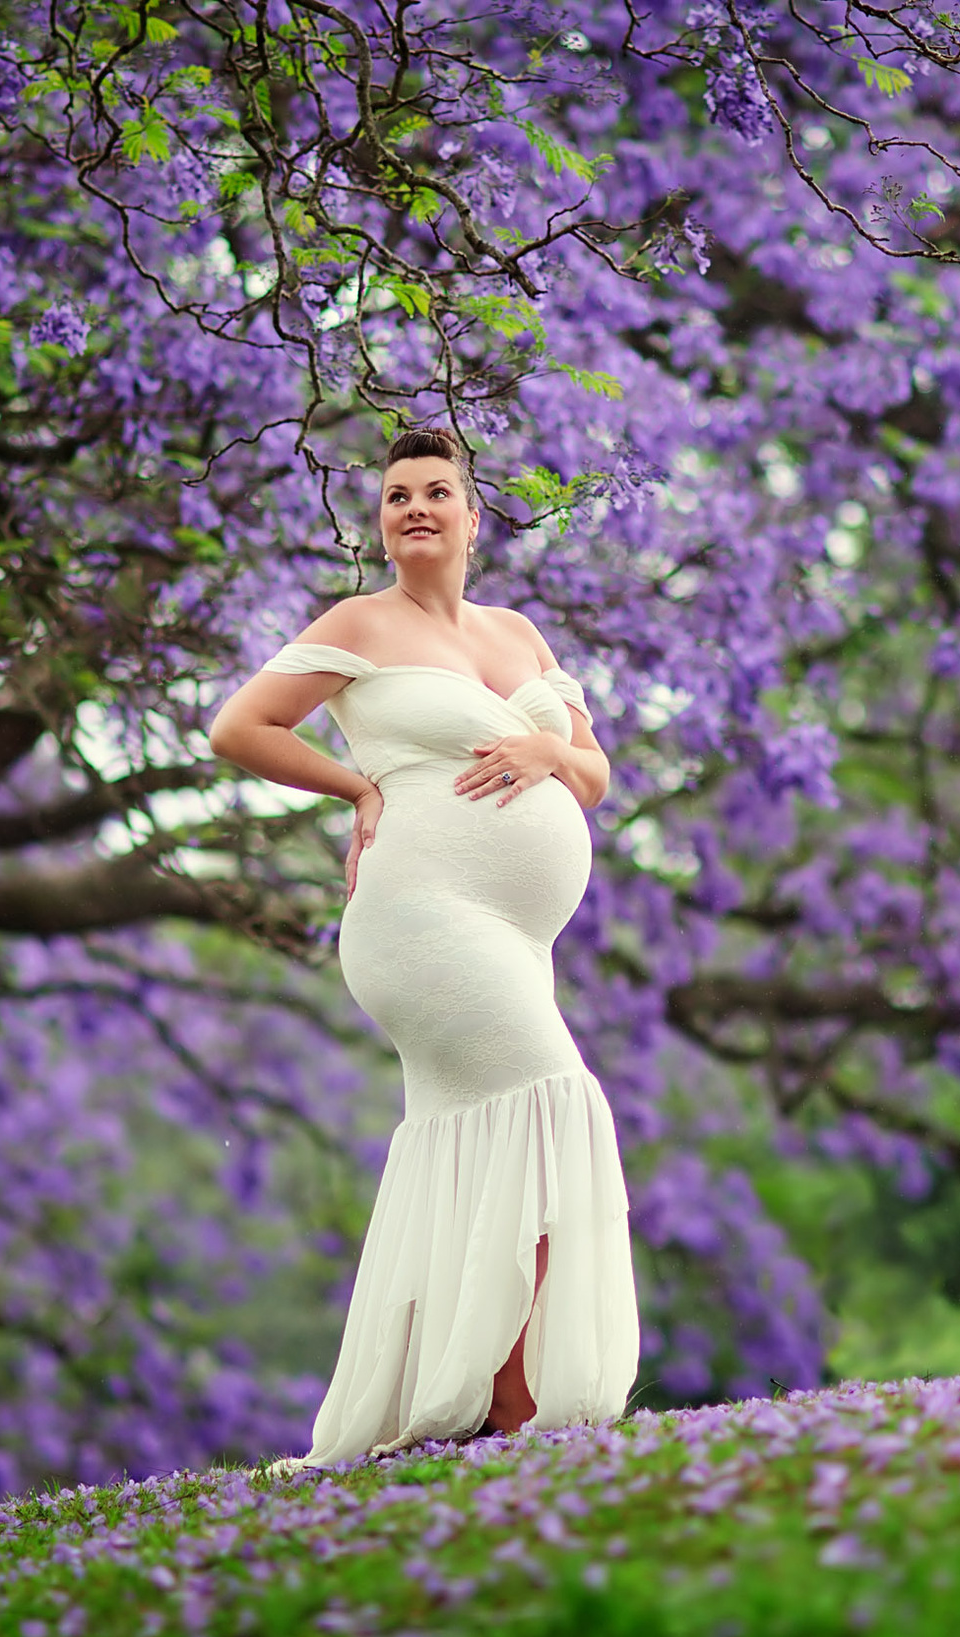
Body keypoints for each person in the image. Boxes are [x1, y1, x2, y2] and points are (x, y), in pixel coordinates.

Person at [208, 427, 639, 1463]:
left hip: (515, 932)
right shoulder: (359, 622)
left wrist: (548, 746)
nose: (415, 507)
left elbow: (593, 774)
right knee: (549, 1097)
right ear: (383, 526)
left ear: (471, 517)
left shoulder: (521, 635)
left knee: (497, 1137)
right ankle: (507, 1398)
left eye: (436, 491)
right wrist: (358, 784)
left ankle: (488, 1398)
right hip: (421, 917)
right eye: (396, 495)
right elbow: (239, 727)